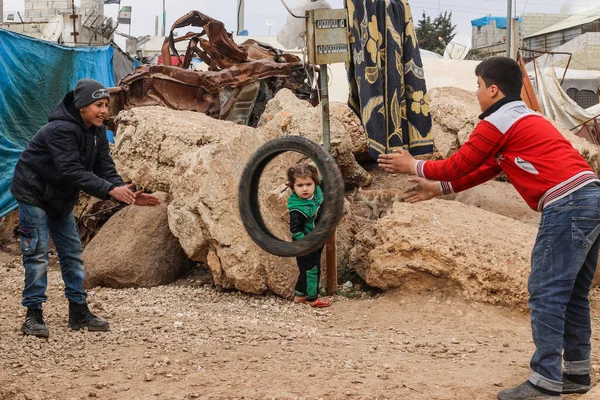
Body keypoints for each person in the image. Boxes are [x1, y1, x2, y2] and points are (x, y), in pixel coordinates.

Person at [378, 56, 599, 400]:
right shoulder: (525, 117)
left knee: (546, 292)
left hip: (566, 203)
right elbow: (485, 168)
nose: (475, 91)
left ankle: (545, 382)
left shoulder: (497, 121)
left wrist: (415, 165)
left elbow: (457, 164)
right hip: (590, 196)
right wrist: (437, 189)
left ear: (493, 90)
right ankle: (576, 373)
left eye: (478, 85)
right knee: (571, 294)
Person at [10, 78, 161, 338]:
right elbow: (70, 170)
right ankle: (33, 315)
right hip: (33, 194)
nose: (104, 110)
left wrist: (127, 194)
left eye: (106, 105)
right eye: (98, 105)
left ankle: (78, 312)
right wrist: (109, 190)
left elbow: (105, 168)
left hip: (60, 198)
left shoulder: (97, 131)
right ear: (81, 106)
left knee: (73, 254)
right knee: (36, 254)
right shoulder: (60, 130)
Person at [287, 164, 332, 308]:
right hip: (305, 243)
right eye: (300, 185)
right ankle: (312, 298)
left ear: (315, 183)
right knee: (312, 269)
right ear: (293, 187)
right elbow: (295, 230)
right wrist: (307, 243)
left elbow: (326, 180)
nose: (305, 189)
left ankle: (299, 295)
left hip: (317, 239)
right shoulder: (297, 209)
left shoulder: (318, 189)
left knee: (305, 269)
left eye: (308, 184)